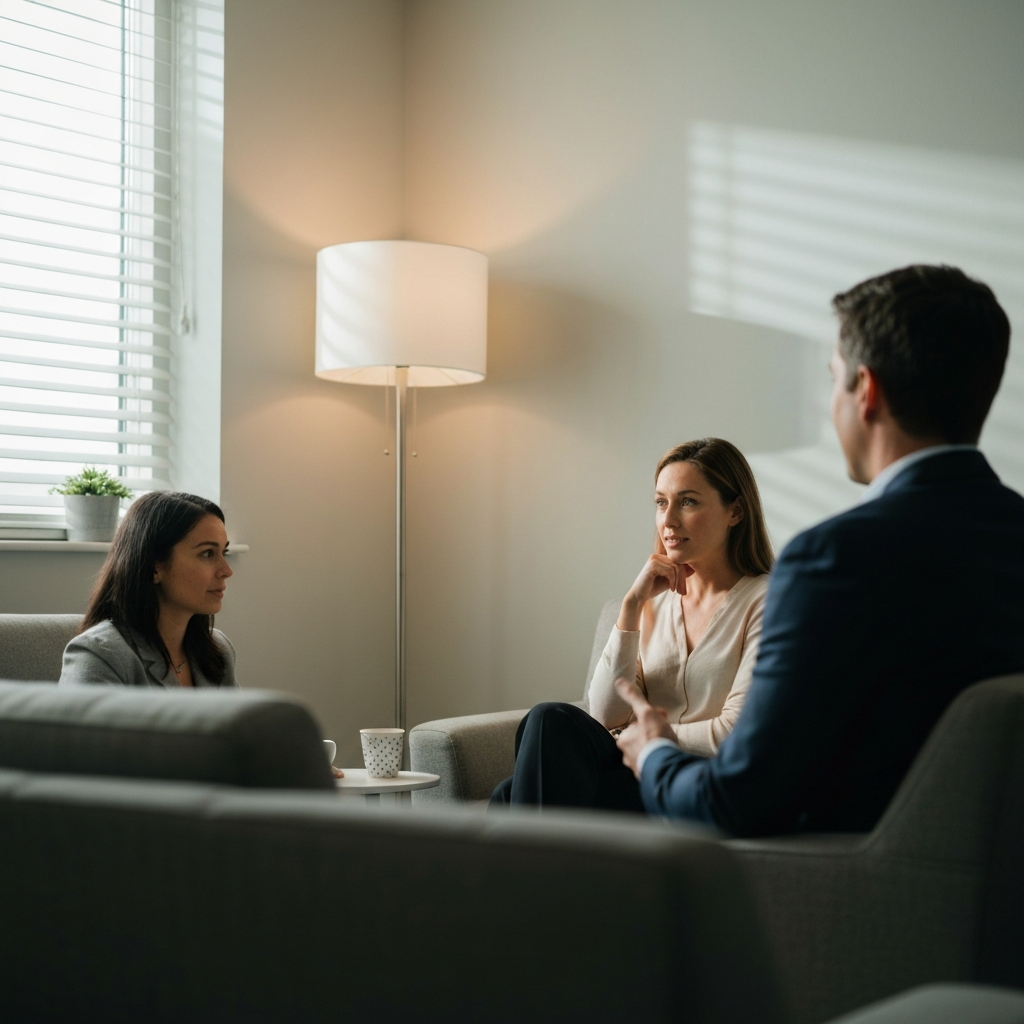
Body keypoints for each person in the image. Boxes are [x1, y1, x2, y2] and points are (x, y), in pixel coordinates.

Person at [615, 264, 1024, 836]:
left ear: (867, 391)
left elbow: (735, 802)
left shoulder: (836, 560)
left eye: (834, 378)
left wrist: (656, 751)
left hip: (830, 876)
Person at [490, 438, 774, 810]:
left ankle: (530, 865)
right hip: (636, 776)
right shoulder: (655, 604)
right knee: (520, 773)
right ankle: (542, 866)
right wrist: (632, 605)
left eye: (688, 502)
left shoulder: (767, 601)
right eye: (661, 502)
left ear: (735, 511)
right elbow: (606, 715)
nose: (668, 520)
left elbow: (733, 733)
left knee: (545, 728)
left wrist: (647, 737)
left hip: (694, 781)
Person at [60, 491, 238, 689]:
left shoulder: (218, 650)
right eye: (207, 553)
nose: (226, 571)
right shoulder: (100, 656)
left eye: (224, 553)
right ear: (155, 566)